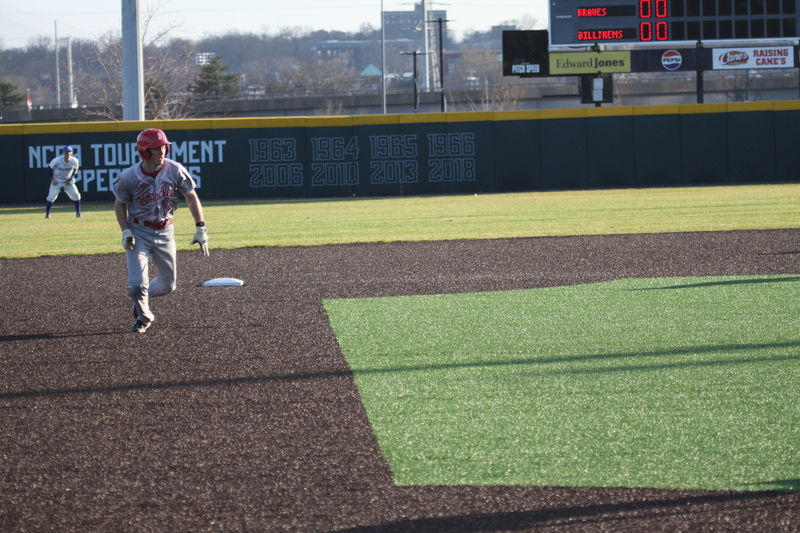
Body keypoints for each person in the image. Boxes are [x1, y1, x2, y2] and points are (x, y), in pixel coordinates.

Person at [112, 128, 209, 333]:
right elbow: (119, 204)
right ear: (144, 151)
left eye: (164, 146)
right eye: (156, 148)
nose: (162, 151)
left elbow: (191, 196)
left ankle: (140, 302)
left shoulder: (174, 170)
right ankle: (144, 316)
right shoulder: (129, 177)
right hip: (138, 231)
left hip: (166, 231)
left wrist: (201, 227)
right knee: (136, 285)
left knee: (168, 286)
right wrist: (126, 231)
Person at [45, 145, 82, 218]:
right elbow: (49, 168)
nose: (67, 153)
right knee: (51, 197)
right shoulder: (57, 160)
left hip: (67, 180)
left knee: (76, 195)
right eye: (66, 152)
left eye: (69, 152)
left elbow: (76, 169)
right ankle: (47, 214)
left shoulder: (74, 160)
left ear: (71, 153)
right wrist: (52, 179)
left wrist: (72, 177)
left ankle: (78, 213)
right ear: (63, 152)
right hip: (57, 180)